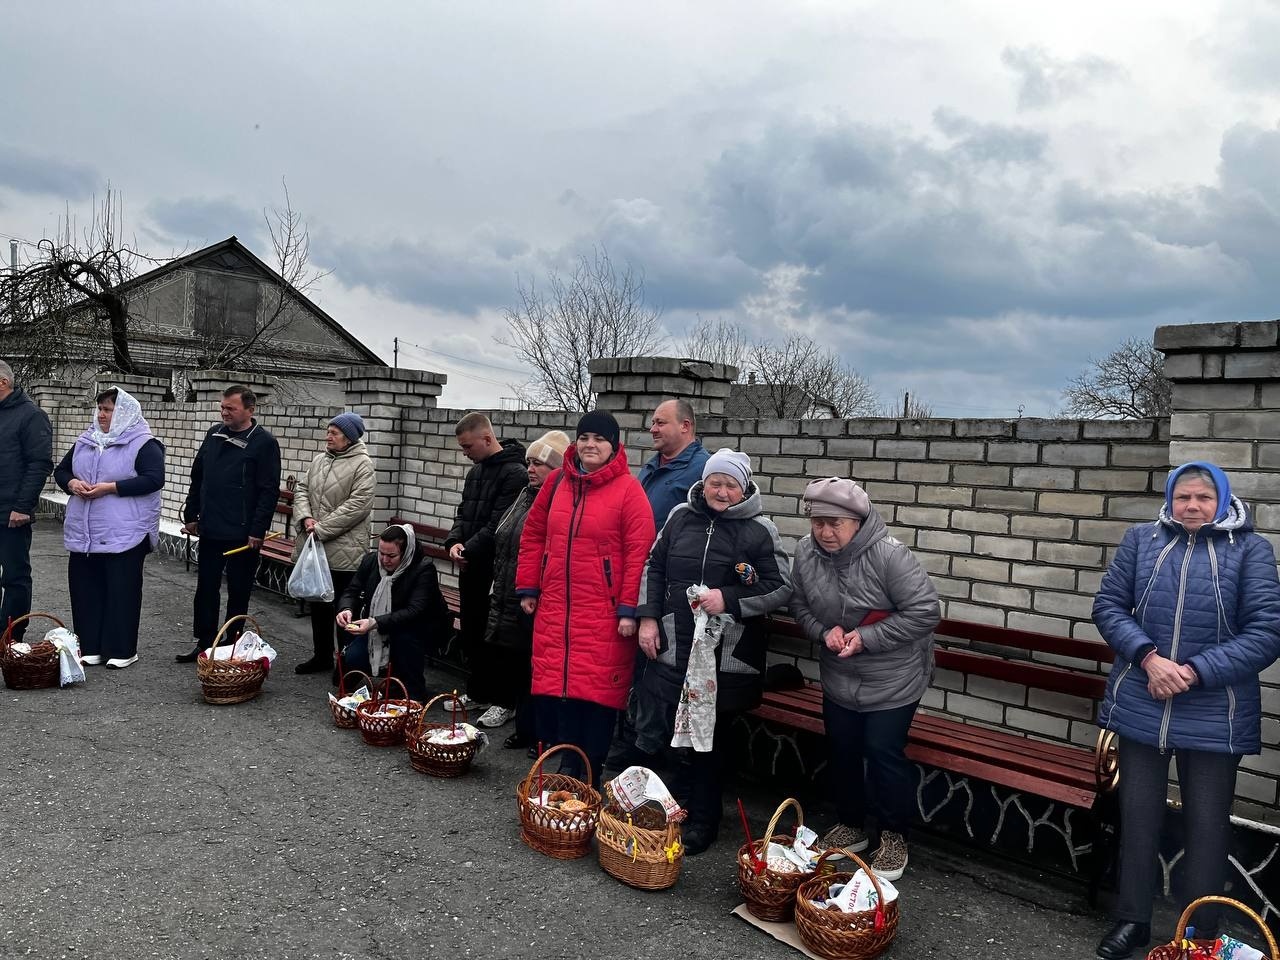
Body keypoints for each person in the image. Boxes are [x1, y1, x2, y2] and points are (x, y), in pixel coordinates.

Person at [1092, 462, 1280, 960]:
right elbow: (1109, 607)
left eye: (1203, 498)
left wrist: (1191, 672)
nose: (1192, 506)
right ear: (1170, 500)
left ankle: (1198, 935)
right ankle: (1130, 922)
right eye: (1183, 497)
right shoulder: (1141, 541)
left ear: (1222, 500)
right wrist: (1150, 660)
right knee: (1137, 818)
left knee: (1206, 826)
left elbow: (1265, 633)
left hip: (1216, 713)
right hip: (1141, 702)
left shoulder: (1252, 552)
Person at [634, 449, 792, 854]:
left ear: (744, 488)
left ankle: (704, 821)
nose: (721, 491)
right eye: (714, 482)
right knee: (674, 736)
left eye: (730, 484)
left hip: (726, 655)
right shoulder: (680, 517)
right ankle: (670, 812)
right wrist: (648, 619)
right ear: (703, 483)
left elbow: (781, 587)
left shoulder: (760, 530)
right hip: (675, 645)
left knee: (711, 741)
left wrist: (730, 599)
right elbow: (654, 567)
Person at [789, 477, 940, 882]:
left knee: (882, 751)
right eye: (818, 522)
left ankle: (893, 836)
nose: (825, 532)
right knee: (843, 748)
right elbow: (799, 603)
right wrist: (823, 631)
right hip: (840, 673)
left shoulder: (891, 557)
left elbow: (925, 611)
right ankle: (851, 825)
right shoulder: (805, 553)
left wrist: (868, 637)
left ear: (858, 521)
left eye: (835, 523)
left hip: (894, 677)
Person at [515, 410, 656, 788]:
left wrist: (629, 609)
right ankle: (567, 765)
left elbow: (639, 554)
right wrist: (529, 586)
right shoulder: (558, 482)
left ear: (614, 446)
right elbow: (534, 535)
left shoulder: (629, 490)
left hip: (604, 615)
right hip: (556, 608)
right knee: (560, 694)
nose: (590, 445)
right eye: (585, 437)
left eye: (599, 439)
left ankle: (589, 774)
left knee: (596, 699)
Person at [53, 386, 164, 668]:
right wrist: (71, 483)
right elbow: (62, 470)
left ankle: (122, 649)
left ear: (124, 412)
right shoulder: (87, 439)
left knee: (121, 593)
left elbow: (153, 479)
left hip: (125, 532)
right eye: (100, 409)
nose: (101, 415)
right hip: (86, 531)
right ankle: (90, 646)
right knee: (85, 589)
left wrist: (110, 488)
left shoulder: (143, 443)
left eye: (108, 410)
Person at [477, 430, 571, 743]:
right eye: (529, 462)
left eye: (539, 464)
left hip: (535, 595)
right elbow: (504, 537)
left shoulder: (559, 501)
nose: (530, 469)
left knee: (532, 664)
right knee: (514, 659)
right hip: (508, 587)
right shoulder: (524, 495)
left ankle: (533, 730)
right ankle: (519, 719)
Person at [177, 385, 282, 663]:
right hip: (211, 527)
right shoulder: (214, 434)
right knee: (206, 589)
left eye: (230, 408)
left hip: (242, 533)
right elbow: (198, 477)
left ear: (249, 410)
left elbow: (268, 491)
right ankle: (204, 642)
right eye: (222, 407)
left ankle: (231, 644)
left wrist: (257, 530)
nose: (224, 412)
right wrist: (192, 515)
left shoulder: (263, 443)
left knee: (238, 591)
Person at [443, 413, 527, 710]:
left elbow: (499, 524)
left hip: (496, 569)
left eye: (468, 447)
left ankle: (497, 698)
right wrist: (454, 543)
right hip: (470, 565)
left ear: (487, 439)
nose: (465, 453)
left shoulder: (515, 473)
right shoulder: (475, 473)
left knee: (493, 635)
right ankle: (477, 691)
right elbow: (463, 513)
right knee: (472, 630)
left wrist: (467, 550)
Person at [291, 412, 376, 675]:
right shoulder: (319, 460)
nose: (328, 436)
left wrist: (322, 528)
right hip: (317, 546)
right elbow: (302, 489)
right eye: (328, 431)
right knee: (319, 604)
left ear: (349, 438)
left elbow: (358, 505)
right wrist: (305, 518)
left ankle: (346, 664)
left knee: (344, 607)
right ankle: (321, 656)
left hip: (345, 551)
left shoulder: (363, 464)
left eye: (334, 433)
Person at [337, 524, 451, 704]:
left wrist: (374, 623)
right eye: (381, 553)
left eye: (391, 556)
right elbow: (352, 590)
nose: (384, 560)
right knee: (354, 656)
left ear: (405, 553)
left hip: (419, 627)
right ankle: (385, 680)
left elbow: (415, 611)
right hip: (379, 624)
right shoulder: (371, 561)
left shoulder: (423, 569)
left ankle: (414, 694)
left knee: (404, 641)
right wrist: (346, 609)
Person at [0, 359, 53, 641]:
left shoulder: (31, 415)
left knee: (15, 576)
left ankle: (10, 635)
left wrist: (22, 506)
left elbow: (39, 463)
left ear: (3, 382)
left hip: (11, 512)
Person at [638, 398, 708, 528]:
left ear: (685, 426)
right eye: (653, 423)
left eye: (660, 423)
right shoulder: (650, 466)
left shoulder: (705, 470)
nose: (652, 429)